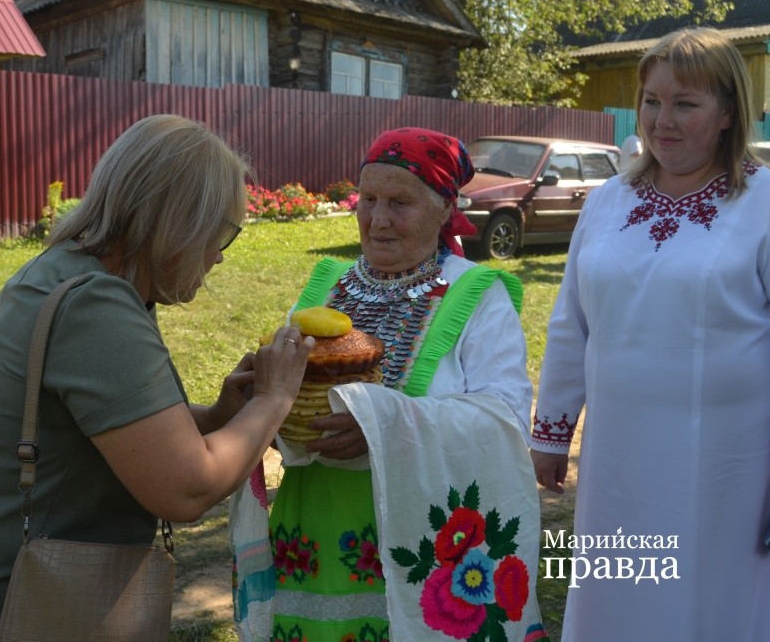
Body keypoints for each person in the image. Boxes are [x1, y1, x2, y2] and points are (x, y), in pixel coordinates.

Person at [0, 114, 315, 641]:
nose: (219, 257)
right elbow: (187, 490)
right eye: (221, 234)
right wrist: (274, 398)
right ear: (177, 224)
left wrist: (218, 417)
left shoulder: (70, 274)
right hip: (2, 608)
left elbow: (110, 430)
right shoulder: (95, 305)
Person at [231, 128, 546, 642]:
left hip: (421, 532)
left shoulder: (476, 293)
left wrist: (384, 423)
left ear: (445, 209)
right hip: (312, 527)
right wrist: (263, 402)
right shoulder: (325, 286)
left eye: (399, 203)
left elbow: (505, 418)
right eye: (368, 199)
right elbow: (285, 393)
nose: (378, 219)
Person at [530, 26, 770, 640]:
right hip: (616, 459)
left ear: (728, 113)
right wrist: (553, 431)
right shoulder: (607, 201)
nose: (662, 121)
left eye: (685, 104)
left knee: (711, 601)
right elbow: (572, 323)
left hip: (731, 467)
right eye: (651, 101)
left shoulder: (766, 204)